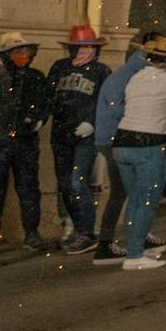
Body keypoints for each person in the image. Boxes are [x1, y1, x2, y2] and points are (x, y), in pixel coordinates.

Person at [106, 35, 166, 271]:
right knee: (147, 200)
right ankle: (134, 255)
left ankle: (136, 245)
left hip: (122, 142)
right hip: (149, 143)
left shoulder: (136, 77)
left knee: (135, 199)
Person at [45, 25, 109, 254]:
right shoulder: (59, 68)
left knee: (77, 182)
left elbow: (106, 103)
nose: (85, 51)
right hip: (61, 135)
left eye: (89, 47)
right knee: (65, 185)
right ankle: (76, 229)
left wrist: (92, 122)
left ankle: (86, 232)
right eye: (80, 47)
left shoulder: (101, 71)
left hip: (86, 138)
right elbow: (48, 97)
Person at [0, 32, 50, 253]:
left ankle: (32, 233)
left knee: (29, 189)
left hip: (25, 142)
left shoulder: (34, 77)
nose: (24, 56)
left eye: (27, 52)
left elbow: (44, 102)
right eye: (18, 52)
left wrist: (38, 119)